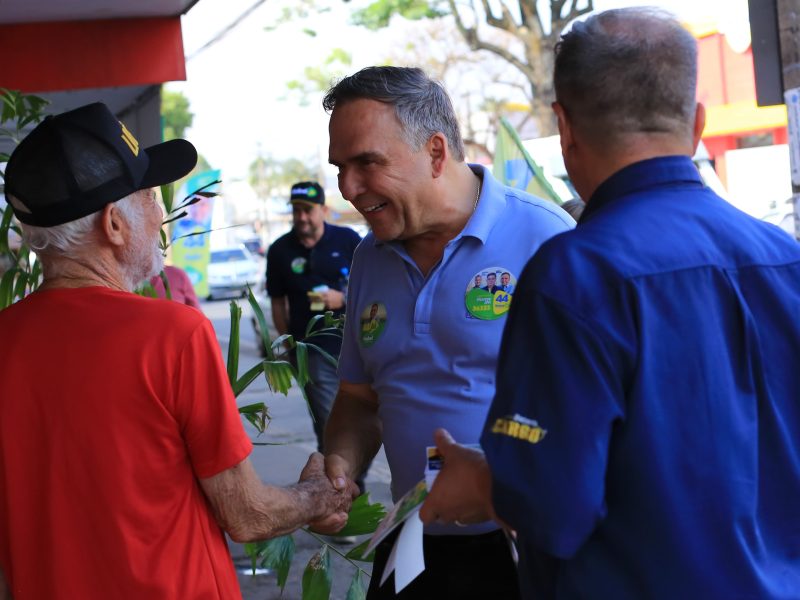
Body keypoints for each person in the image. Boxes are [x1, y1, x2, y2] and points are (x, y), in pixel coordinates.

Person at [420, 8, 800, 599]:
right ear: (697, 124)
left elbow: (548, 505)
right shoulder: (786, 259)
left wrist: (482, 482)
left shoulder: (573, 275)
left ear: (564, 128)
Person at [0, 102, 357, 599]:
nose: (162, 213)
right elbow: (247, 514)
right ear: (114, 225)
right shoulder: (172, 336)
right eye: (150, 196)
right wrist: (318, 496)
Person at [319, 66, 573, 599]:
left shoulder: (547, 239)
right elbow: (360, 398)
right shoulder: (369, 256)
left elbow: (595, 412)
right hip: (412, 544)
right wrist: (339, 466)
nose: (347, 187)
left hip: (527, 550)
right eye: (340, 167)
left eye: (367, 162)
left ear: (436, 152)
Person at [265, 181, 362, 460]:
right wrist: (288, 347)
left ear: (324, 209)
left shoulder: (348, 240)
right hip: (311, 352)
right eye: (296, 211)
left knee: (366, 418)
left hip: (355, 346)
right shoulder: (280, 250)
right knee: (329, 422)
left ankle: (351, 482)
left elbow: (372, 287)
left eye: (308, 210)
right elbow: (277, 301)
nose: (302, 217)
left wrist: (342, 299)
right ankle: (342, 490)